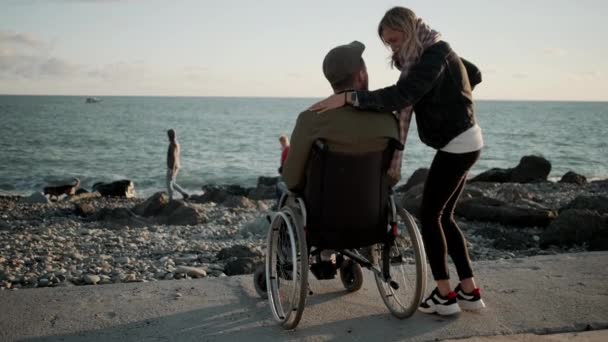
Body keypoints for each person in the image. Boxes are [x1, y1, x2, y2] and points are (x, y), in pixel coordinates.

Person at [309, 6, 485, 316]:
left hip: (458, 143)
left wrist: (349, 98)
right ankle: (469, 291)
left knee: (430, 217)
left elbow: (400, 96)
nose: (392, 47)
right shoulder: (433, 53)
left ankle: (445, 296)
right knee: (445, 218)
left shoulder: (433, 54)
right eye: (387, 43)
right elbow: (474, 74)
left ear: (409, 29)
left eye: (395, 39)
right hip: (467, 139)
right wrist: (452, 96)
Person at [282, 40, 400, 192]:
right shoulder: (388, 120)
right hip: (373, 212)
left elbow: (291, 180)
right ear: (361, 76)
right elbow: (391, 178)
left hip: (321, 213)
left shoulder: (309, 119)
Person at [166, 129, 189, 200]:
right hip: (177, 165)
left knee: (168, 183)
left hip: (172, 166)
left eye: (168, 135)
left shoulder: (172, 144)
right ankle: (184, 193)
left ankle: (171, 198)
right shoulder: (177, 143)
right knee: (172, 182)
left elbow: (174, 157)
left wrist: (172, 169)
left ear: (170, 135)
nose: (167, 136)